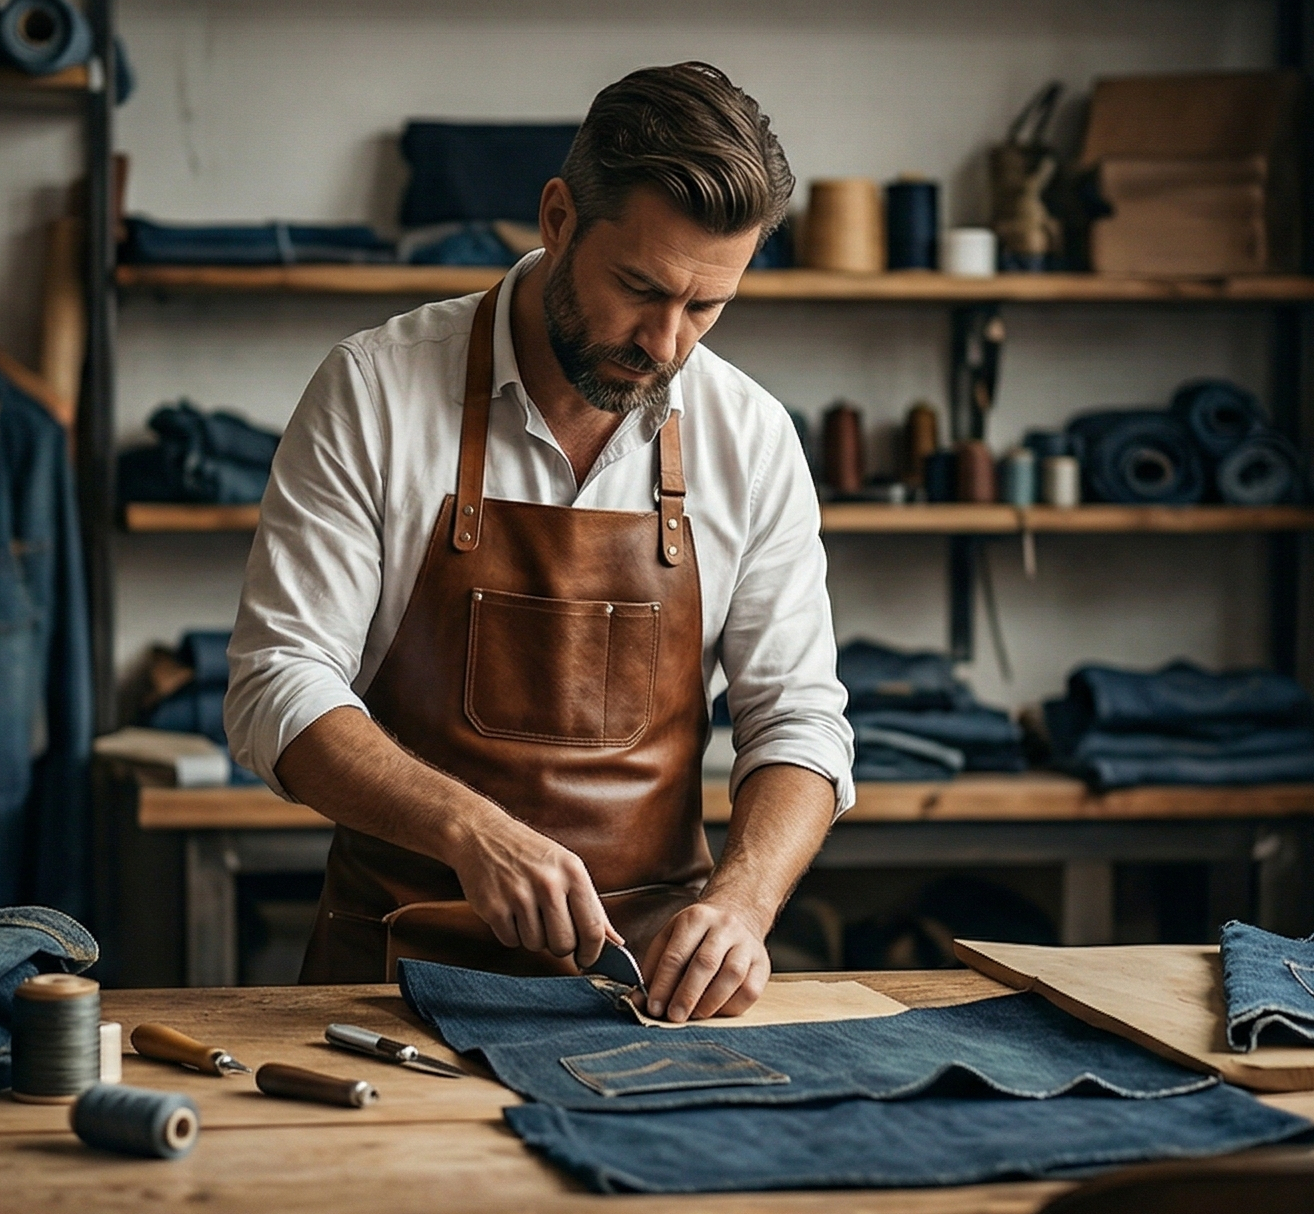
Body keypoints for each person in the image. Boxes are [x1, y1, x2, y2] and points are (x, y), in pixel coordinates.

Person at [226, 62, 852, 1022]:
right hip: (394, 970)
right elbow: (278, 681)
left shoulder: (751, 435)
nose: (666, 343)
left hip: (647, 996)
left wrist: (741, 903)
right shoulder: (374, 390)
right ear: (557, 217)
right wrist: (471, 831)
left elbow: (800, 719)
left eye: (707, 306)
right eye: (639, 288)